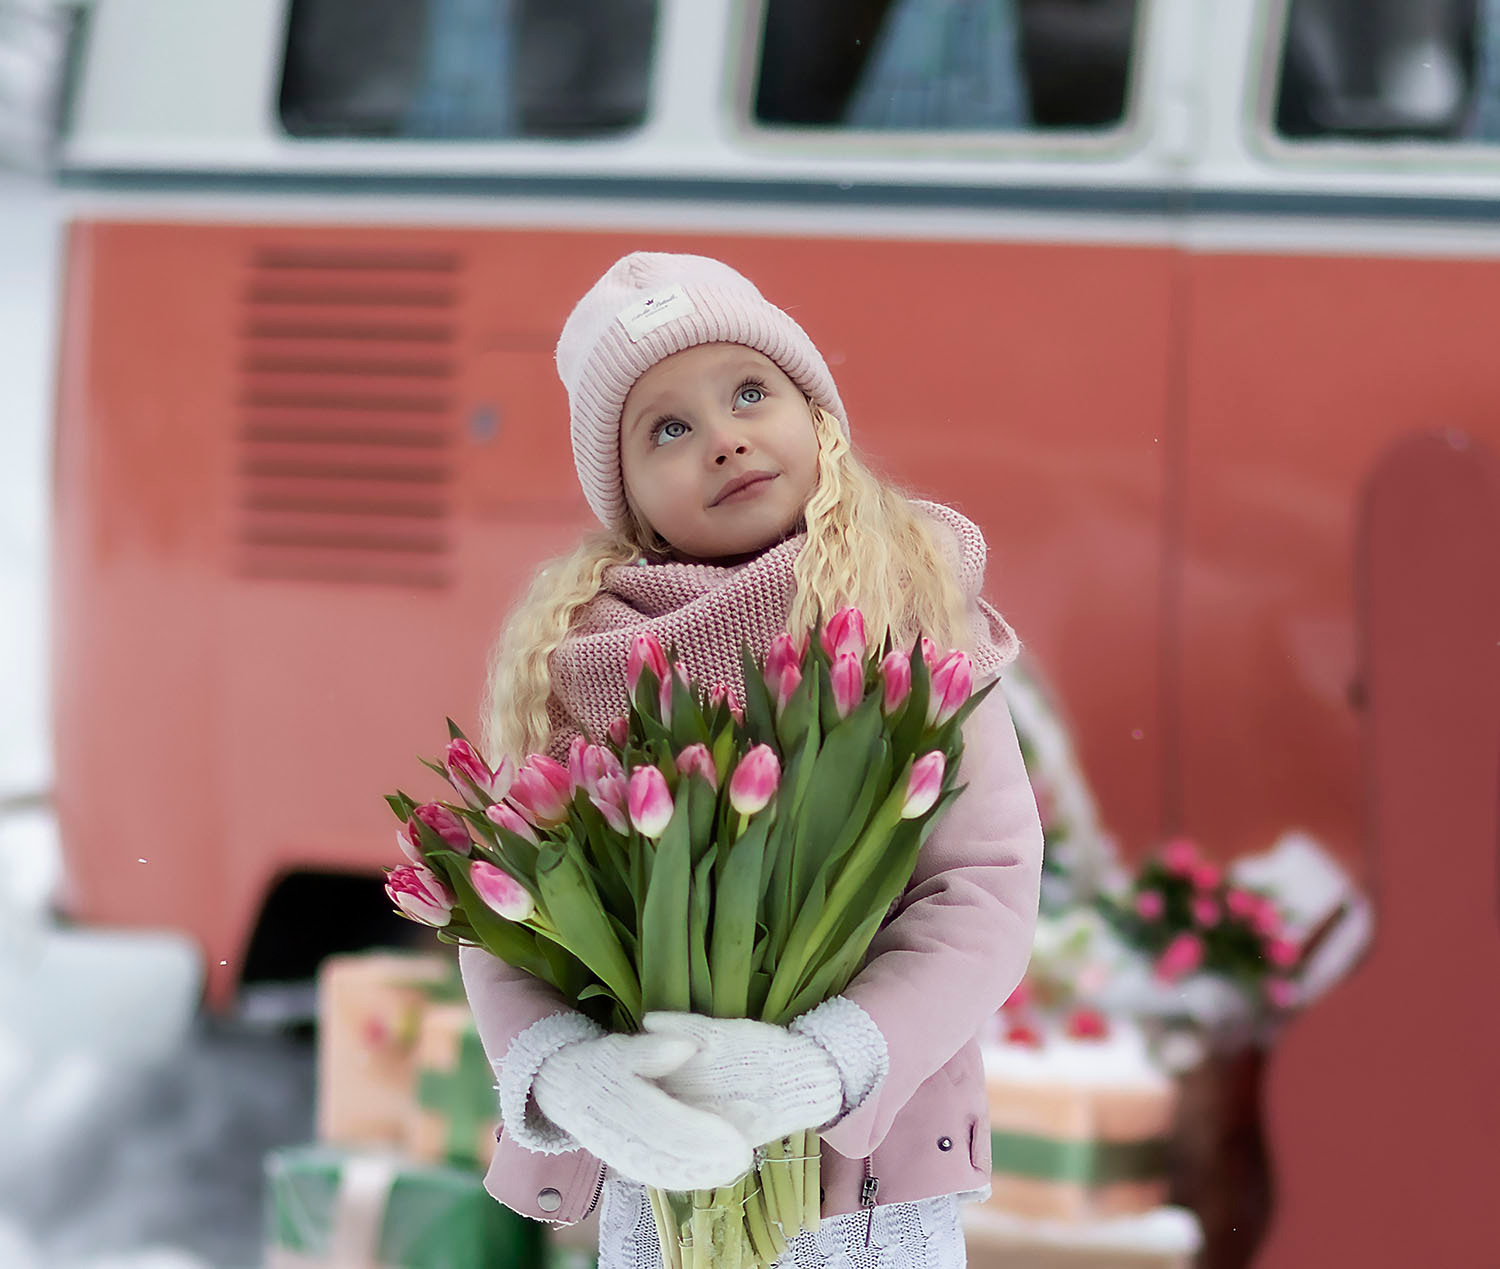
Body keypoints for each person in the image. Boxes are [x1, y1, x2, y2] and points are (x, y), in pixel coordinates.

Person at [460, 251, 1044, 1268]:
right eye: (669, 429)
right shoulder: (591, 664)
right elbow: (512, 906)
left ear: (816, 416)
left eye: (750, 392)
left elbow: (983, 887)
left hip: (866, 1189)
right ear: (631, 500)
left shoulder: (907, 620)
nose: (724, 440)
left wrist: (829, 1062)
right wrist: (562, 1069)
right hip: (669, 1184)